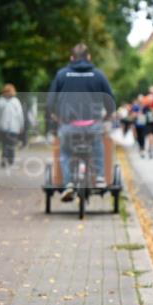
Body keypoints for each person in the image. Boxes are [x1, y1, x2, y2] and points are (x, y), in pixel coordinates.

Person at [46, 43, 115, 200]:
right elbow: (110, 100)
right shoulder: (98, 75)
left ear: (72, 58)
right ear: (89, 57)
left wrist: (54, 115)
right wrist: (108, 115)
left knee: (65, 152)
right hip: (93, 125)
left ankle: (69, 183)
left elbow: (50, 101)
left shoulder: (62, 75)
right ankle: (99, 178)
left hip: (69, 126)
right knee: (98, 146)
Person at [0, 83, 25, 166]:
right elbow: (20, 115)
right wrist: (21, 125)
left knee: (5, 144)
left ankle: (5, 158)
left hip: (3, 126)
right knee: (11, 144)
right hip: (13, 127)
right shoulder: (16, 101)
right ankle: (10, 159)